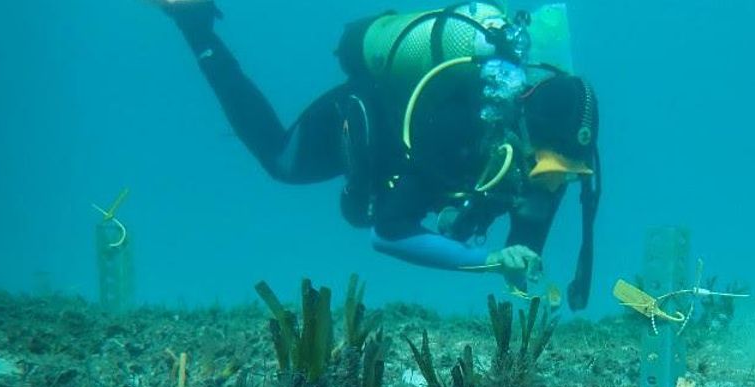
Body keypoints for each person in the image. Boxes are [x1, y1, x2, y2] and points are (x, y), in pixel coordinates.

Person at [153, 1, 601, 309]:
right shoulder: (459, 130)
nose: (555, 183)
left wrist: (517, 262)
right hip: (370, 119)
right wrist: (484, 261)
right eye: (550, 169)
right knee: (283, 161)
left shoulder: (557, 161)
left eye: (569, 174)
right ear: (518, 133)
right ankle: (197, 29)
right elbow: (388, 232)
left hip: (433, 161)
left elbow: (521, 249)